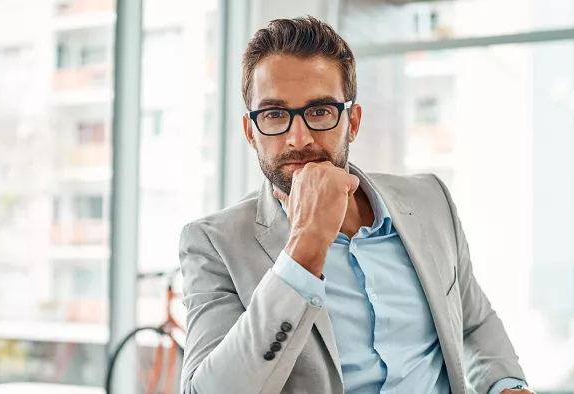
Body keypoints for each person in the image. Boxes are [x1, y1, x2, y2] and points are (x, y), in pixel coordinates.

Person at [178, 16, 533, 394]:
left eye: (319, 112)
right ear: (251, 132)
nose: (298, 138)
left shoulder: (431, 200)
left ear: (353, 121)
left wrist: (507, 387)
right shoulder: (213, 243)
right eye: (274, 115)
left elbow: (474, 325)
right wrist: (304, 247)